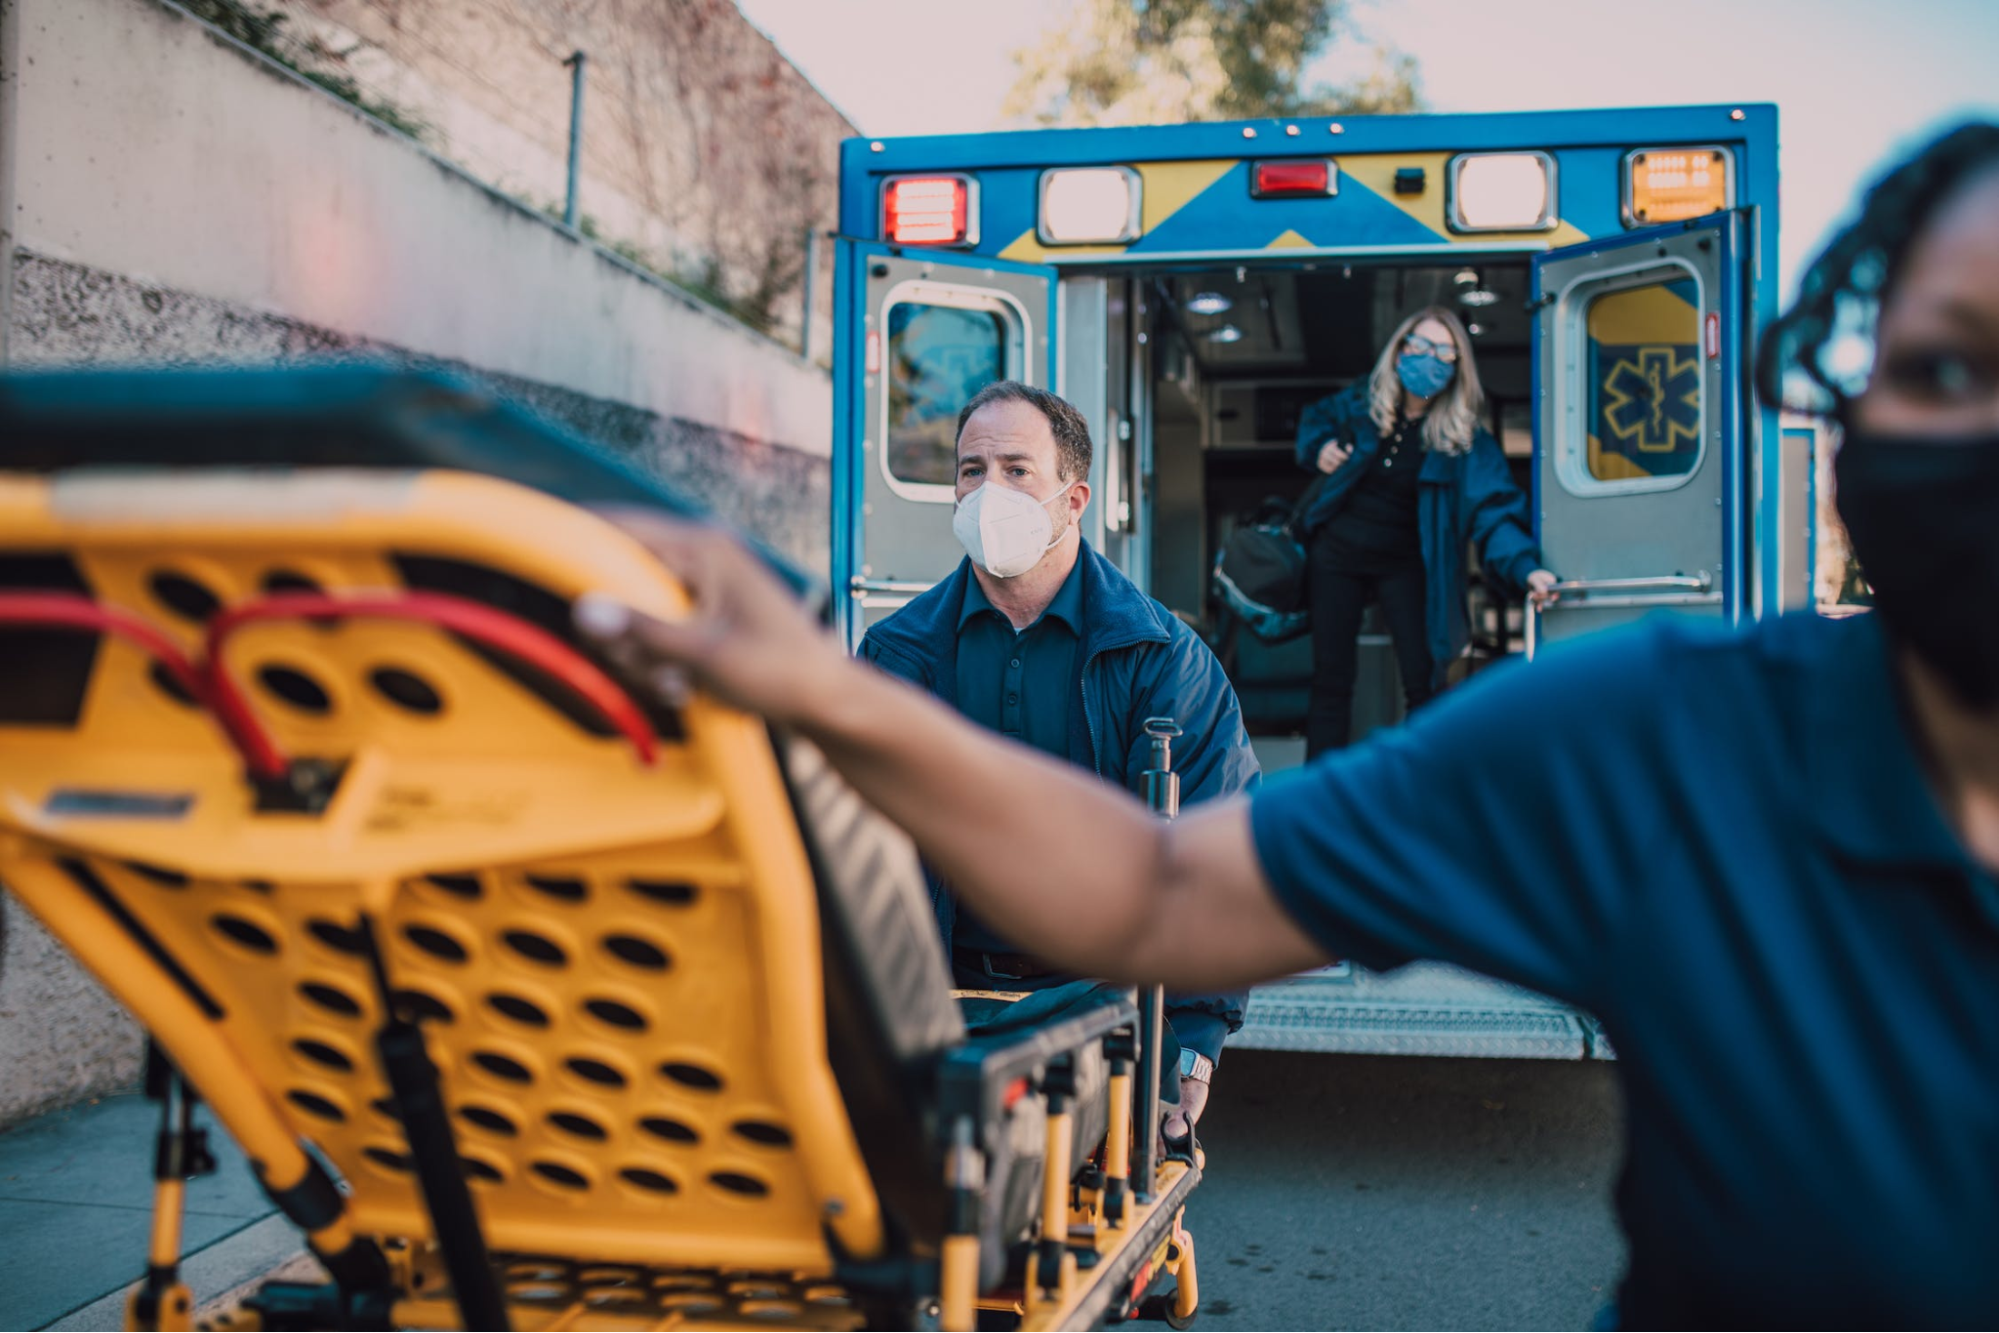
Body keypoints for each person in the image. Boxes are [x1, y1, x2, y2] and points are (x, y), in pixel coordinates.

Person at [577, 122, 1999, 1329]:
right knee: (1327, 694)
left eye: (1013, 466)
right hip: (1317, 598)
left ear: (1077, 496)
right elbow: (1159, 886)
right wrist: (819, 690)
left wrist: (1515, 570)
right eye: (1943, 369)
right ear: (1849, 398)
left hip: (1412, 595)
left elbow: (1483, 521)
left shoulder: (1178, 647)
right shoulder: (1661, 741)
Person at [856, 380, 1259, 1146]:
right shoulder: (896, 654)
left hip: (1097, 1003)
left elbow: (1216, 845)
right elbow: (844, 840)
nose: (986, 491)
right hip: (932, 999)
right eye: (970, 471)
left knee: (1087, 1234)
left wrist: (1195, 1036)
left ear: (1073, 500)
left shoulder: (1160, 659)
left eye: (1015, 470)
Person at [1292, 307, 1559, 756]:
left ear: (1457, 367)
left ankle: (1420, 794)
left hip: (1407, 563)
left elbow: (1494, 509)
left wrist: (1527, 569)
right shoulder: (1359, 404)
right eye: (1418, 345)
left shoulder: (1463, 439)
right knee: (1331, 681)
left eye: (1443, 351)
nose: (1428, 358)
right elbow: (1313, 421)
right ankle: (1321, 796)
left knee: (1426, 681)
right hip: (1336, 555)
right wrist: (1318, 449)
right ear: (1398, 351)